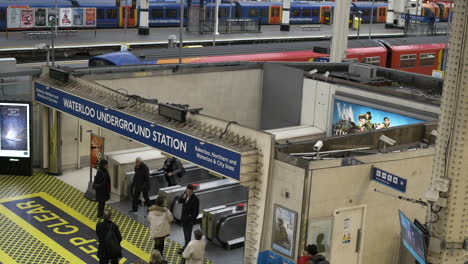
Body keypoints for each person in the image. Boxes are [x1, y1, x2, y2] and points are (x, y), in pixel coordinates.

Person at [177, 184, 199, 253]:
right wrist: (183, 197)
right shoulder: (185, 195)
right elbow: (179, 201)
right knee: (185, 234)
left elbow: (196, 212)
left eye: (189, 192)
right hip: (183, 219)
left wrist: (190, 219)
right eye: (187, 191)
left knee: (188, 235)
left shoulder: (195, 199)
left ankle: (186, 249)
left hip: (189, 221)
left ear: (192, 191)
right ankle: (186, 246)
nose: (188, 193)